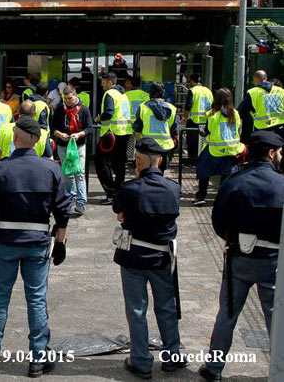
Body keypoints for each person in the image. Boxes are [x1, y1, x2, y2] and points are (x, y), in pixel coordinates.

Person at [0, 116, 71, 378]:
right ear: (37, 141)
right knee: (36, 300)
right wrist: (60, 242)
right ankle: (38, 359)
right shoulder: (51, 170)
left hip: (4, 243)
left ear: (14, 138)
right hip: (37, 244)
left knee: (0, 299)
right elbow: (63, 211)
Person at [199, 131, 284, 381]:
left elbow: (217, 223)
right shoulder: (281, 184)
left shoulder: (233, 182)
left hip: (238, 257)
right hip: (274, 260)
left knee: (227, 313)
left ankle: (214, 367)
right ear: (271, 154)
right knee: (275, 317)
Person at [112, 138, 185, 379]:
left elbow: (120, 215)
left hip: (134, 256)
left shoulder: (129, 189)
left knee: (136, 310)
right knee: (166, 307)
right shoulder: (174, 188)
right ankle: (173, 355)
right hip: (163, 257)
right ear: (160, 159)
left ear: (139, 160)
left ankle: (141, 361)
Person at [193, 88, 245, 206]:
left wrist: (202, 131)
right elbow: (237, 130)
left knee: (203, 170)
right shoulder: (236, 114)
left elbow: (207, 131)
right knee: (226, 175)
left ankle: (201, 196)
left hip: (214, 150)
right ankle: (223, 199)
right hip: (232, 150)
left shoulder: (212, 114)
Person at [52, 86, 93, 216]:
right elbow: (53, 127)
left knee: (79, 172)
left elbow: (89, 128)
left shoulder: (84, 110)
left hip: (78, 145)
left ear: (75, 96)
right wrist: (60, 135)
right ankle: (71, 199)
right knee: (67, 173)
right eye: (65, 99)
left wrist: (79, 134)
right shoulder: (60, 109)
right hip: (63, 145)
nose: (68, 101)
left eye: (70, 98)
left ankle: (81, 202)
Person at [95, 72, 131, 205]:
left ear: (110, 82)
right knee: (119, 163)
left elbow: (108, 113)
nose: (102, 85)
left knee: (101, 163)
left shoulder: (109, 94)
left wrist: (99, 118)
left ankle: (111, 193)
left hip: (111, 134)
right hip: (124, 133)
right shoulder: (124, 95)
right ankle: (118, 190)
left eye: (103, 82)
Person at [133, 84, 178, 174]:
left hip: (147, 147)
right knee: (160, 173)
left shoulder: (143, 107)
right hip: (164, 147)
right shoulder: (172, 108)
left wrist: (140, 142)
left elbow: (137, 129)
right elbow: (175, 131)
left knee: (145, 173)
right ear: (163, 93)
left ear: (150, 93)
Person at [237, 70, 284, 140]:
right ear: (266, 77)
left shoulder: (253, 93)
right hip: (280, 128)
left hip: (263, 130)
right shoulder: (280, 90)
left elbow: (240, 112)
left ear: (255, 79)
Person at [184, 75, 213, 164]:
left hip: (193, 120)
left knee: (191, 142)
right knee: (203, 142)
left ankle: (192, 160)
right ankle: (202, 160)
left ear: (193, 81)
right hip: (206, 120)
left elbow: (188, 105)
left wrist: (185, 117)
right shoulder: (208, 91)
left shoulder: (192, 90)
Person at [124, 76, 150, 162]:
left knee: (130, 144)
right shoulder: (146, 95)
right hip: (142, 123)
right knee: (140, 143)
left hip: (128, 124)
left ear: (132, 84)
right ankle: (138, 160)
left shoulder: (125, 95)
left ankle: (130, 158)